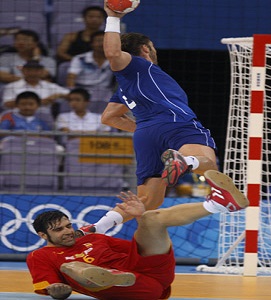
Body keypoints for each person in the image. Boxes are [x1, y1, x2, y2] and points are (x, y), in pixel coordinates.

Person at [76, 1, 239, 236]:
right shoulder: (141, 67)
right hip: (174, 122)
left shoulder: (126, 85)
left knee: (147, 201)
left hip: (145, 134)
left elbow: (109, 118)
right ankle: (186, 162)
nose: (154, 51)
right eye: (152, 47)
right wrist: (112, 17)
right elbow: (112, 53)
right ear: (144, 49)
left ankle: (96, 227)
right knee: (208, 164)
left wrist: (145, 129)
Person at [27, 175, 249, 300]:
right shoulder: (40, 256)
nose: (67, 231)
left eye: (68, 225)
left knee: (152, 219)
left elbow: (137, 247)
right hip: (125, 289)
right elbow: (56, 289)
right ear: (42, 235)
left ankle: (219, 204)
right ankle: (113, 277)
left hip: (150, 275)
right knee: (71, 267)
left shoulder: (89, 237)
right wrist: (59, 290)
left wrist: (140, 218)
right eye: (59, 230)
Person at [1, 60, 69, 116]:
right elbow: (7, 104)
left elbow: (71, 94)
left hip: (43, 118)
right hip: (17, 117)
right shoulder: (12, 86)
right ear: (23, 71)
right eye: (29, 70)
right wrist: (41, 102)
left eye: (36, 70)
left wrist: (59, 95)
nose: (32, 73)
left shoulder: (50, 86)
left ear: (42, 72)